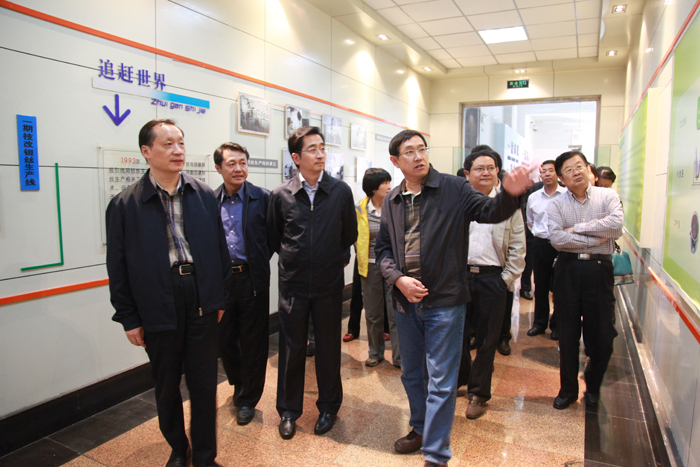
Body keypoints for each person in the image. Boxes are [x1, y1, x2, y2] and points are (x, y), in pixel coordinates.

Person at [375, 130, 532, 467]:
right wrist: (398, 279)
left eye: (422, 149)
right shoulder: (392, 199)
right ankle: (420, 428)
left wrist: (511, 194)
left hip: (445, 300)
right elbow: (384, 249)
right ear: (395, 161)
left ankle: (436, 455)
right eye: (409, 151)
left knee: (442, 380)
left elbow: (489, 210)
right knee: (412, 374)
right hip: (406, 301)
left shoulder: (454, 188)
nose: (419, 156)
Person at [106, 119, 230, 467]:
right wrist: (129, 317)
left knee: (204, 384)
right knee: (166, 383)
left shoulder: (203, 194)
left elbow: (220, 251)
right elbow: (118, 267)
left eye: (181, 143)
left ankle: (205, 456)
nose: (178, 150)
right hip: (157, 300)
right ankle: (179, 448)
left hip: (200, 297)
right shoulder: (125, 204)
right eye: (168, 144)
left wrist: (218, 298)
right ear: (146, 152)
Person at [267, 126, 357, 440]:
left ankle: (329, 407)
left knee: (329, 349)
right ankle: (288, 412)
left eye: (322, 147)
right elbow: (275, 238)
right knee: (291, 349)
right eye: (312, 149)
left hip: (328, 285)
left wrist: (330, 258)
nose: (320, 154)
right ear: (296, 157)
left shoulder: (340, 191)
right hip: (293, 285)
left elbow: (349, 234)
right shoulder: (281, 195)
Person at [547, 151, 623, 409]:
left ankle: (593, 384)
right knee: (567, 334)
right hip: (567, 269)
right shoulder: (556, 204)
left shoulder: (607, 196)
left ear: (589, 170)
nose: (576, 172)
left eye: (579, 166)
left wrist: (577, 229)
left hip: (599, 269)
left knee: (602, 335)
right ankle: (568, 390)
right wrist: (597, 238)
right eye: (569, 170)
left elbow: (616, 226)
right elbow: (557, 239)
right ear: (561, 178)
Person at [458, 148, 525, 419]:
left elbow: (518, 247)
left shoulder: (508, 204)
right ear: (467, 174)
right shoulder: (459, 202)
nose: (485, 172)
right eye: (479, 168)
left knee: (487, 341)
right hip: (461, 278)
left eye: (490, 168)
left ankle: (478, 394)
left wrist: (504, 280)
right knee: (458, 335)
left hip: (492, 279)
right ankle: (462, 379)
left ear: (498, 171)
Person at [213, 142, 270, 426]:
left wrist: (258, 260)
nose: (239, 168)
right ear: (218, 168)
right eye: (231, 164)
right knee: (225, 340)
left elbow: (273, 237)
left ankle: (248, 398)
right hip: (222, 281)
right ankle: (238, 382)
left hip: (252, 278)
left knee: (253, 341)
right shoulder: (209, 201)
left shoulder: (263, 198)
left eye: (243, 163)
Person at [356, 168, 400, 368]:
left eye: (389, 181)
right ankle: (375, 352)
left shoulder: (396, 206)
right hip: (370, 266)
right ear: (373, 187)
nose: (389, 186)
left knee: (396, 313)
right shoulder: (359, 209)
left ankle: (400, 357)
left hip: (393, 267)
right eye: (384, 182)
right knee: (373, 313)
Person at [525, 160, 567, 340]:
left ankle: (557, 324)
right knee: (540, 285)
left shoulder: (567, 195)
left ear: (558, 174)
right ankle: (539, 323)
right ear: (540, 175)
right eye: (544, 171)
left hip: (562, 245)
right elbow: (530, 222)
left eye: (551, 170)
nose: (547, 174)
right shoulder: (534, 197)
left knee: (560, 287)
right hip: (541, 244)